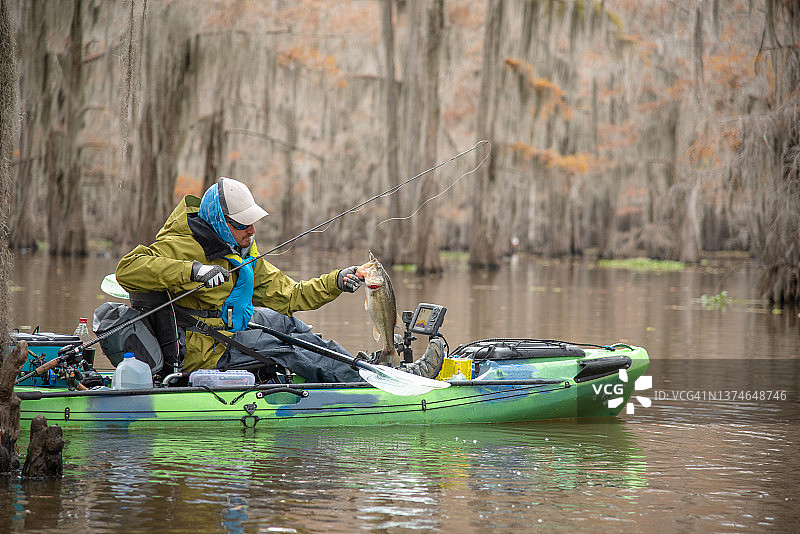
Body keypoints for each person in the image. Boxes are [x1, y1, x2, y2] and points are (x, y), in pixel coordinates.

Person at [115, 177, 444, 383]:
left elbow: (291, 295)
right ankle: (376, 380)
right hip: (202, 348)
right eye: (243, 225)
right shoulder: (181, 244)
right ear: (219, 220)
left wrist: (337, 280)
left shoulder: (241, 250)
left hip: (232, 328)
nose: (252, 231)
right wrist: (193, 272)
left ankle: (366, 369)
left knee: (288, 324)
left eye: (252, 223)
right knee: (283, 347)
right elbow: (128, 269)